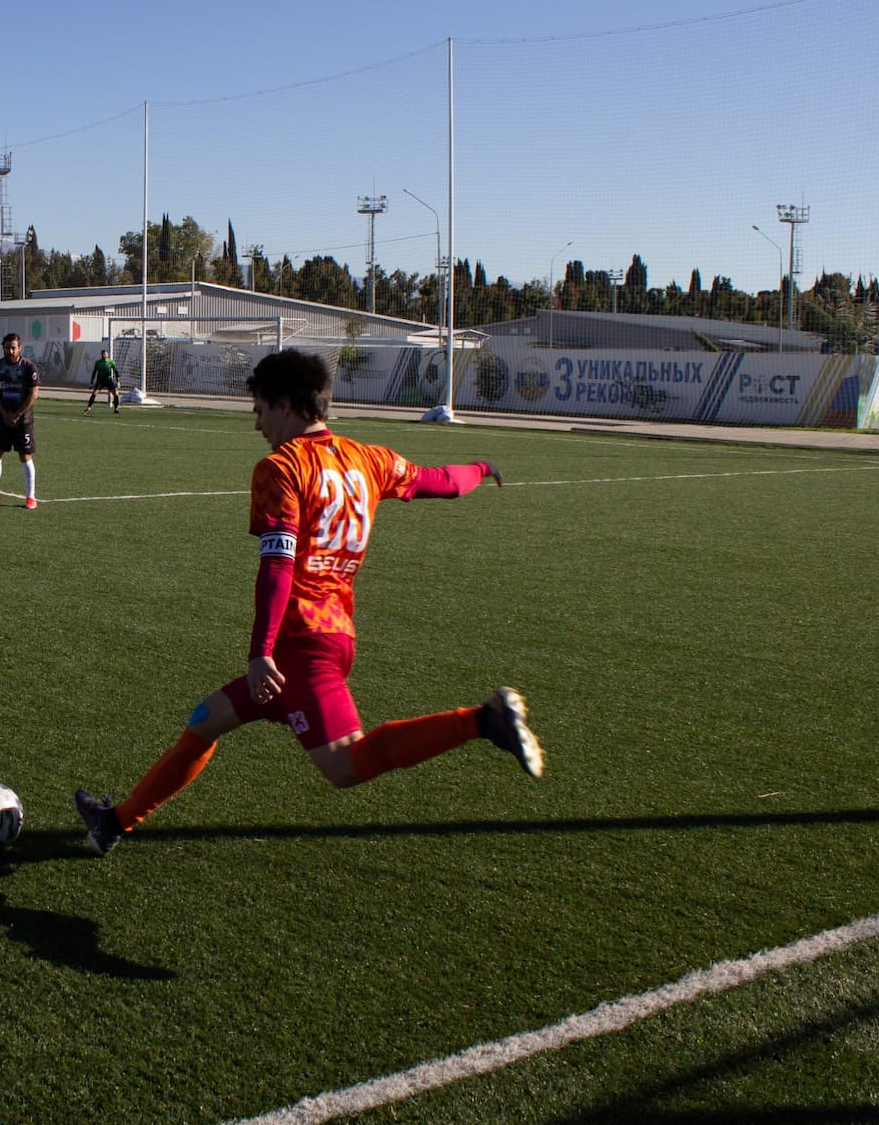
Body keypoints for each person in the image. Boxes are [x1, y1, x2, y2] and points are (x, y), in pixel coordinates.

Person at [72, 348, 542, 858]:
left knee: (346, 764)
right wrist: (480, 466)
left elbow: (277, 565)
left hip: (297, 649)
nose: (257, 424)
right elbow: (443, 483)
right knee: (205, 722)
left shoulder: (282, 468)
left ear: (287, 405)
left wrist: (261, 652)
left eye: (260, 410)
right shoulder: (369, 458)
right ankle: (114, 822)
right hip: (334, 636)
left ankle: (482, 721)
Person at [0, 332, 40, 509]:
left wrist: (17, 414)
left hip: (24, 419)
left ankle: (31, 497)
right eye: (7, 348)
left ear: (19, 348)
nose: (10, 351)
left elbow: (34, 393)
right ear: (3, 348)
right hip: (3, 417)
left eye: (13, 348)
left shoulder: (29, 367)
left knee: (25, 455)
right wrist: (4, 412)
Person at [84, 349, 120, 413]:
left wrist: (118, 381)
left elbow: (116, 371)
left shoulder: (111, 362)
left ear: (107, 355)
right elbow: (94, 373)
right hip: (100, 381)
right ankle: (88, 408)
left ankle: (116, 408)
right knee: (94, 393)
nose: (104, 355)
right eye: (103, 354)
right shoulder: (98, 362)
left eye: (105, 354)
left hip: (108, 380)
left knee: (116, 393)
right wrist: (91, 382)